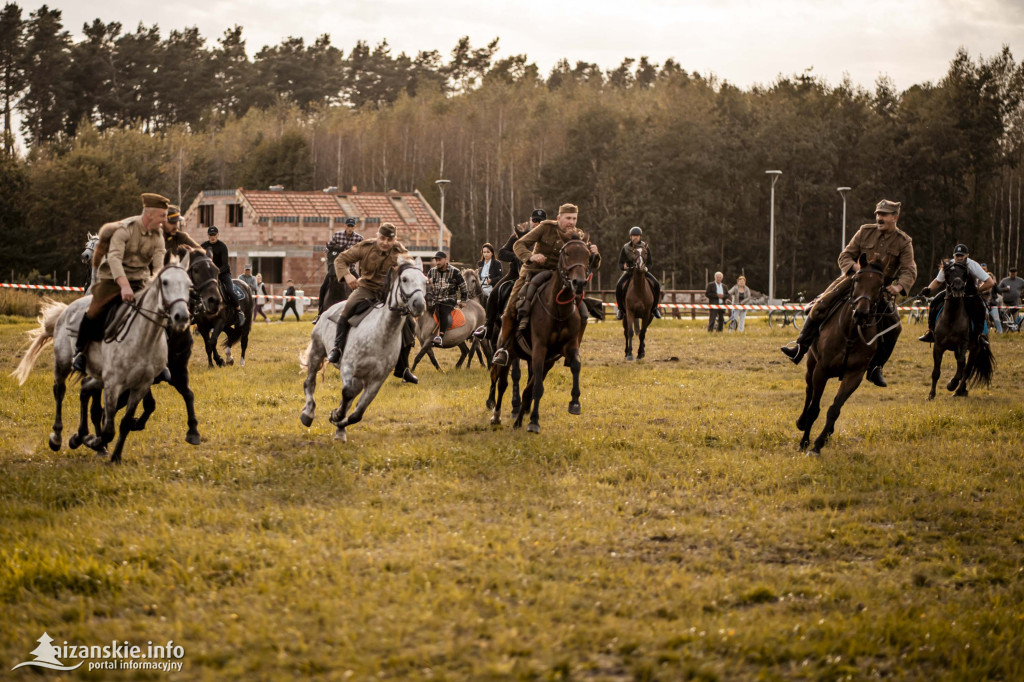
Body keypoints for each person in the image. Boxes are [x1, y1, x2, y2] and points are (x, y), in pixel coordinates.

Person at [781, 199, 916, 388]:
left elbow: (909, 269)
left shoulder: (903, 241)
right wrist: (856, 269)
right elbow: (844, 256)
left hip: (880, 289)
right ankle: (800, 347)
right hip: (853, 280)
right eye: (877, 214)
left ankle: (876, 367)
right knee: (819, 305)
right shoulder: (865, 231)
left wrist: (899, 287)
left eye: (884, 214)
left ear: (895, 217)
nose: (879, 217)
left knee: (895, 327)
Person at [492, 203, 601, 366]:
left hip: (559, 278)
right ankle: (504, 348)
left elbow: (589, 263)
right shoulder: (545, 228)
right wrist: (530, 256)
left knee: (582, 310)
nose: (571, 222)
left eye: (574, 219)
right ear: (559, 218)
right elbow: (518, 245)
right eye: (568, 218)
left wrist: (595, 255)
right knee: (513, 305)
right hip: (533, 272)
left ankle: (573, 351)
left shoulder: (578, 235)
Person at [72, 193, 168, 373]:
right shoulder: (125, 230)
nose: (165, 220)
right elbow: (115, 259)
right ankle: (81, 354)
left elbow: (158, 265)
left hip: (140, 280)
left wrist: (158, 286)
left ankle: (159, 360)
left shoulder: (158, 236)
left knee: (160, 311)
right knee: (96, 310)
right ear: (150, 214)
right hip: (113, 279)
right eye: (162, 215)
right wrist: (124, 286)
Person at [326, 222, 418, 384]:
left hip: (389, 293)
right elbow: (341, 259)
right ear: (377, 236)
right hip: (367, 288)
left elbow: (410, 264)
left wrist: (407, 269)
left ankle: (403, 368)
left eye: (389, 240)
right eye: (382, 238)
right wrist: (347, 276)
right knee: (348, 309)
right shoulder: (365, 247)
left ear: (394, 240)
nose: (385, 243)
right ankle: (338, 348)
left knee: (408, 323)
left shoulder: (398, 251)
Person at [916, 243, 995, 344]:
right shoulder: (949, 265)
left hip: (969, 294)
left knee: (980, 307)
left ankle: (979, 336)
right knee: (934, 302)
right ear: (954, 256)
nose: (959, 258)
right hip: (951, 292)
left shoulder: (973, 265)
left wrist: (976, 290)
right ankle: (931, 332)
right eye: (957, 255)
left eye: (962, 255)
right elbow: (938, 281)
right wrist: (928, 289)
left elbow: (990, 282)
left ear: (967, 255)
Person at [317, 217, 363, 321]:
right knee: (323, 287)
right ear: (345, 226)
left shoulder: (359, 239)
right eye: (348, 226)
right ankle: (320, 313)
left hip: (350, 269)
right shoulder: (338, 235)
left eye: (352, 226)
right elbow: (327, 248)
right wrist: (332, 252)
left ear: (354, 227)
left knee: (362, 287)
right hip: (335, 269)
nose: (350, 228)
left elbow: (363, 252)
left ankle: (361, 313)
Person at [615, 226, 662, 321]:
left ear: (640, 237)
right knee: (619, 286)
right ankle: (620, 309)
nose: (635, 237)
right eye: (633, 235)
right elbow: (620, 263)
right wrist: (623, 267)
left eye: (637, 235)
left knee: (656, 284)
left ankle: (655, 308)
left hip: (642, 272)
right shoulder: (626, 247)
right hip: (630, 272)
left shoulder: (645, 247)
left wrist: (646, 268)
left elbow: (650, 263)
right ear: (630, 237)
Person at [201, 226, 244, 327]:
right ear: (208, 235)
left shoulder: (222, 246)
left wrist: (216, 272)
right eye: (211, 235)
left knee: (229, 290)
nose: (212, 237)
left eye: (214, 235)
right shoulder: (203, 246)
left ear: (218, 235)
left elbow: (225, 265)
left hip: (223, 273)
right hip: (208, 276)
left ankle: (239, 311)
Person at [428, 250, 468, 347]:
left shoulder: (455, 272)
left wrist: (463, 300)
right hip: (435, 299)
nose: (437, 262)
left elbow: (463, 287)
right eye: (436, 260)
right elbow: (427, 286)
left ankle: (440, 337)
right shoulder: (431, 272)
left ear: (446, 260)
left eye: (439, 260)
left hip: (449, 300)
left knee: (443, 309)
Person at [498, 209, 545, 283]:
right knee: (495, 293)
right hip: (516, 274)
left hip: (541, 273)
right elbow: (501, 253)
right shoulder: (519, 235)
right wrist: (519, 256)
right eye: (534, 220)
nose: (537, 223)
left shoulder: (549, 238)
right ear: (530, 220)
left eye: (541, 221)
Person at [980, 263, 1002, 333]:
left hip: (992, 304)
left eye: (984, 269)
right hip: (983, 304)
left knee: (997, 320)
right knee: (984, 319)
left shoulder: (991, 280)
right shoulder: (979, 279)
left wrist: (994, 283)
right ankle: (985, 333)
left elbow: (998, 290)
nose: (983, 270)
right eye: (982, 269)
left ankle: (1000, 333)